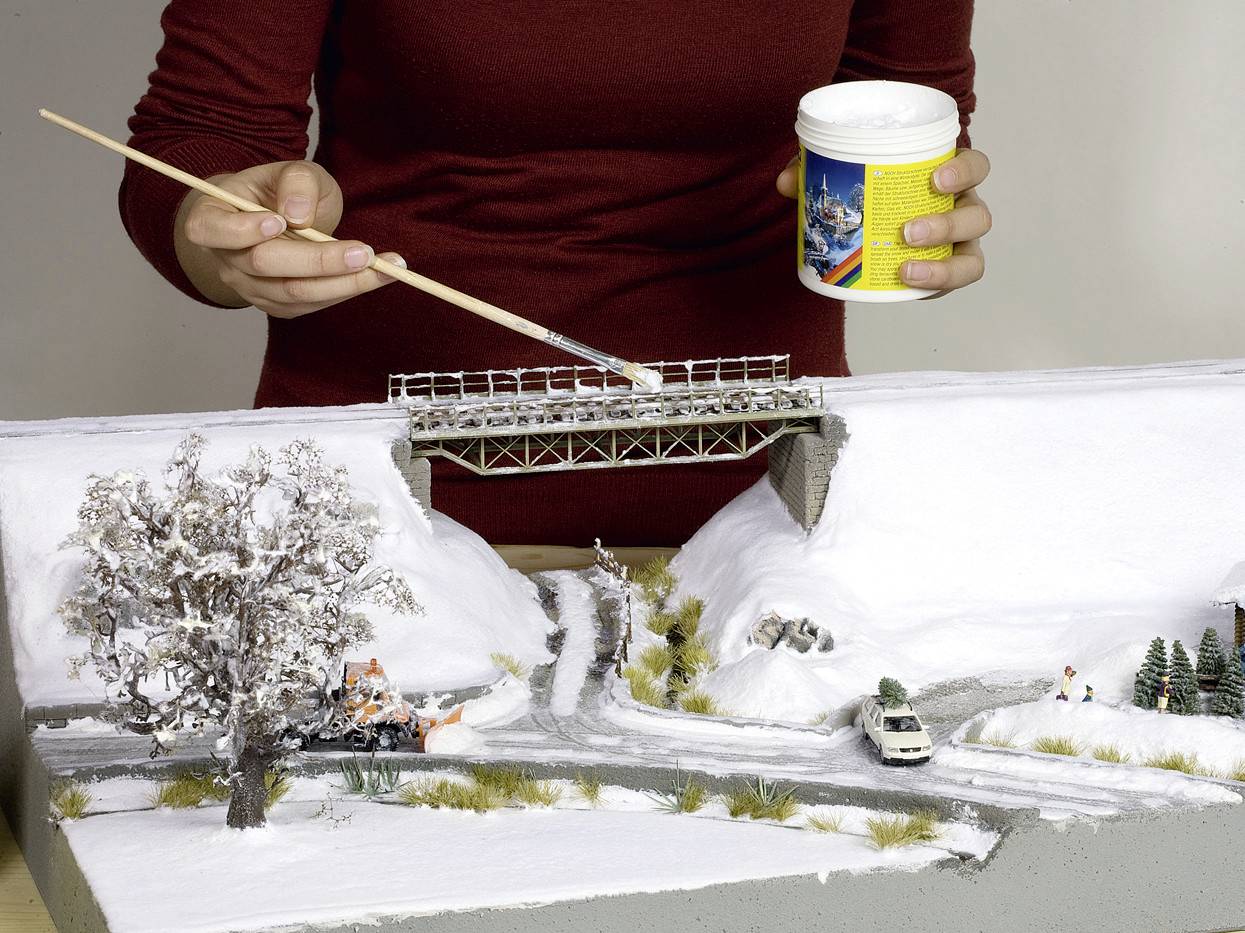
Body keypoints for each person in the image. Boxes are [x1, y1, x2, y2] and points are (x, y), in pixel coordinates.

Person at [120, 1, 991, 546]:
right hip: (377, 505)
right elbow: (199, 134)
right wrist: (225, 233)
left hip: (762, 501)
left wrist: (918, 216)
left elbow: (907, 104)